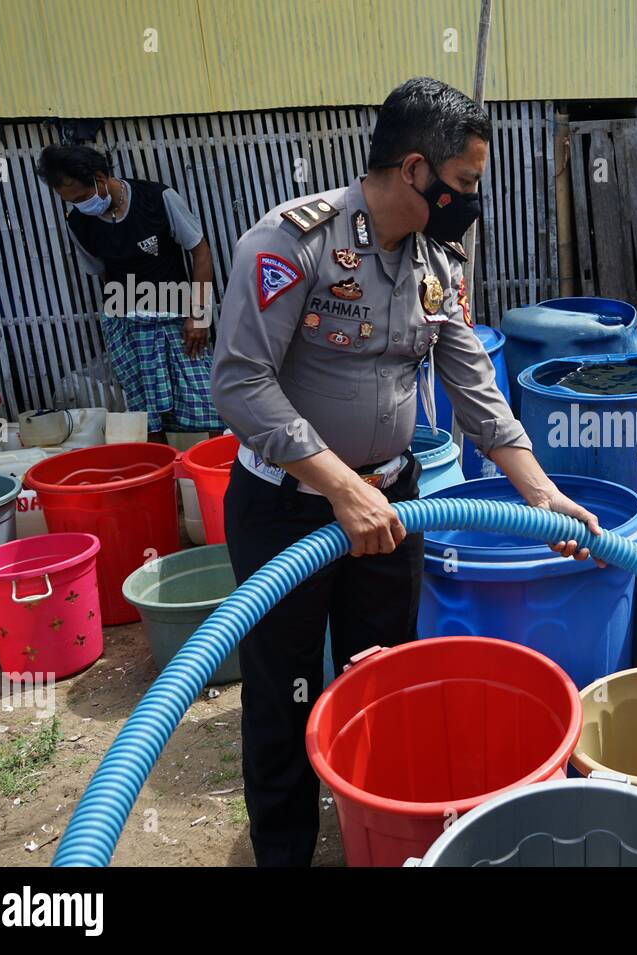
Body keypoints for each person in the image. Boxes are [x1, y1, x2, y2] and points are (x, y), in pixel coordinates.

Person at [211, 76, 600, 866]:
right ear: (414, 168)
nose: (472, 202)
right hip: (288, 507)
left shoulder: (440, 263)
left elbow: (475, 391)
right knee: (284, 691)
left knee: (382, 675)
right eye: (464, 185)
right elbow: (238, 383)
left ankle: (377, 833)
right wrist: (342, 489)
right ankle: (285, 854)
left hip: (392, 500)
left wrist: (544, 494)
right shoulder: (292, 244)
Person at [36, 145, 221, 438]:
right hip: (127, 327)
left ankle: (211, 466)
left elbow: (200, 252)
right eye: (70, 201)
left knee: (205, 404)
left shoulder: (158, 198)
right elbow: (104, 274)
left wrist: (198, 316)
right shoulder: (79, 222)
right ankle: (162, 472)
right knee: (146, 414)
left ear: (99, 177)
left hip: (177, 319)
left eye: (82, 198)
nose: (79, 206)